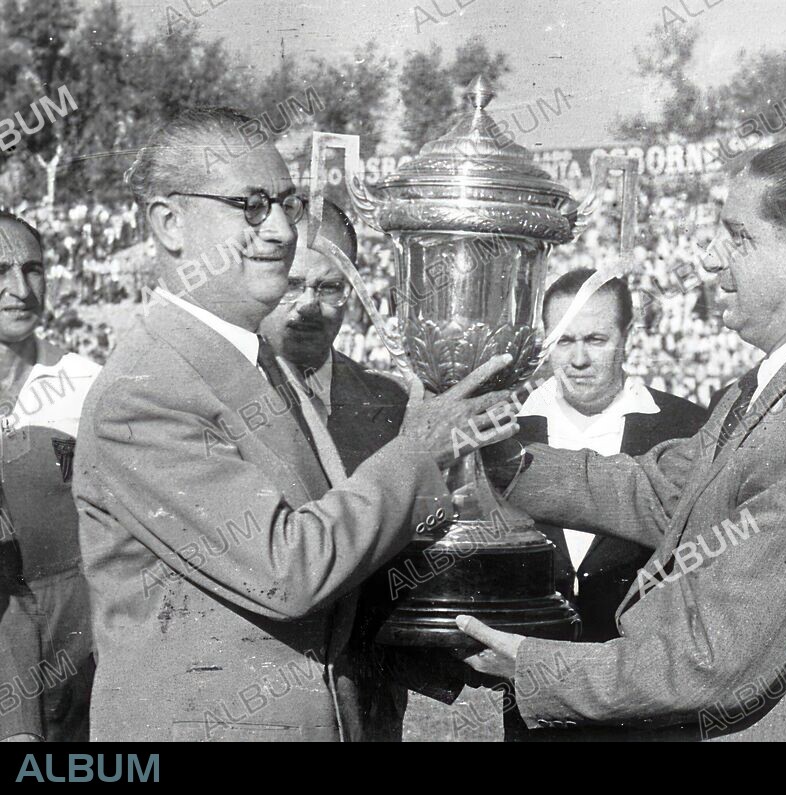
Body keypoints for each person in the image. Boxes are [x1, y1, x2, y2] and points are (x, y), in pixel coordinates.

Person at [457, 134, 786, 741]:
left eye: (739, 237)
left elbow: (709, 660)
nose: (710, 258)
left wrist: (533, 665)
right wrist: (505, 461)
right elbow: (663, 493)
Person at [72, 107, 516, 742]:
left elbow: (335, 570)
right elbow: (289, 570)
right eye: (250, 206)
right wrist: (419, 452)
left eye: (286, 203)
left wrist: (463, 629)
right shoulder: (145, 392)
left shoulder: (259, 362)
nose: (281, 229)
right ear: (169, 224)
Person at [259, 199, 410, 741]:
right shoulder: (217, 399)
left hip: (367, 705)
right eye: (292, 283)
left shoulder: (391, 404)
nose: (307, 305)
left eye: (328, 288)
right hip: (260, 703)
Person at [514, 269, 707, 643]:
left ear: (627, 337)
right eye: (564, 341)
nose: (579, 359)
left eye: (596, 340)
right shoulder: (508, 429)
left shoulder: (687, 426)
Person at [0, 211, 100, 742]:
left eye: (33, 269)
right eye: (1, 271)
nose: (20, 290)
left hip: (75, 638)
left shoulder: (85, 383)